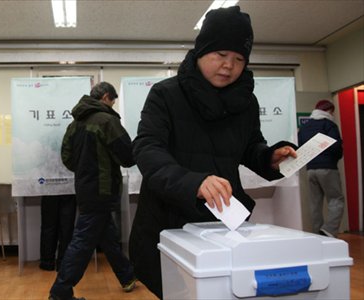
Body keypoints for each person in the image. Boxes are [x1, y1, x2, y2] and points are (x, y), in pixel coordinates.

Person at [128, 6, 297, 299]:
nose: (229, 66)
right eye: (220, 55)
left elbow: (249, 147)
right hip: (167, 221)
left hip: (224, 223)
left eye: (239, 59)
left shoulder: (246, 102)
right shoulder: (165, 94)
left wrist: (268, 157)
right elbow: (147, 148)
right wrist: (193, 182)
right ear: (201, 51)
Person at [49, 82, 137, 300]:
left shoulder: (75, 124)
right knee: (83, 241)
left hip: (85, 189)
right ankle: (60, 292)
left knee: (106, 235)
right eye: (113, 101)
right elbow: (127, 156)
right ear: (106, 97)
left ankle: (126, 277)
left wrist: (87, 170)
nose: (113, 106)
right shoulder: (106, 120)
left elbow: (68, 159)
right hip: (103, 190)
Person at [298, 99, 344, 238]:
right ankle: (329, 230)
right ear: (329, 111)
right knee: (336, 199)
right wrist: (335, 157)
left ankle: (317, 233)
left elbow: (300, 146)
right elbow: (336, 146)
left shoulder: (305, 127)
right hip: (328, 167)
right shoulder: (329, 124)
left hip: (311, 169)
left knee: (315, 203)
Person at [39, 194, 77, 271]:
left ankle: (47, 263)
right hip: (68, 190)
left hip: (49, 189)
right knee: (67, 229)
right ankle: (64, 263)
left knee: (48, 227)